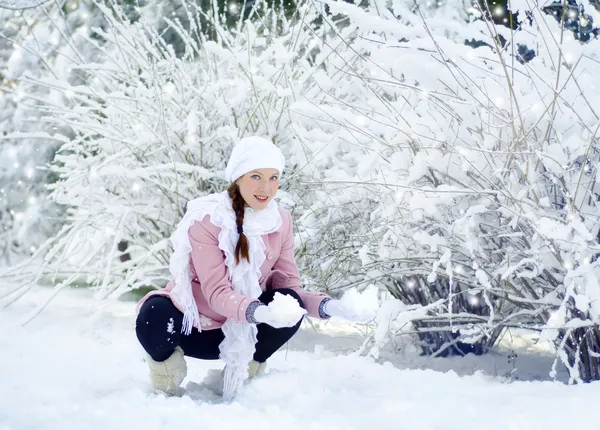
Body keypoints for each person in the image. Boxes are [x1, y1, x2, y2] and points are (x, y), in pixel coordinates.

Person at [135, 136, 367, 400]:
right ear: (238, 178)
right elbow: (216, 292)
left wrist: (330, 307)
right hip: (197, 328)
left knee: (289, 301)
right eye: (256, 176)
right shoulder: (208, 219)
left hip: (246, 333)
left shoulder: (280, 221)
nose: (266, 187)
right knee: (153, 313)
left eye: (274, 178)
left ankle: (245, 375)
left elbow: (289, 287)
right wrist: (261, 312)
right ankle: (167, 382)